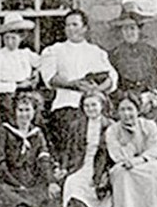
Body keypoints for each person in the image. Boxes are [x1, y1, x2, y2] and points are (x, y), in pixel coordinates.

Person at [38, 9, 118, 164]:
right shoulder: (55, 50)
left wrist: (97, 90)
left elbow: (112, 77)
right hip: (67, 104)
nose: (70, 29)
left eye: (75, 24)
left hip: (95, 105)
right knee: (74, 131)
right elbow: (49, 77)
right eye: (67, 25)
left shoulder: (96, 51)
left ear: (84, 28)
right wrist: (73, 85)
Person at [59, 90, 113, 207]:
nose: (90, 109)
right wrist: (63, 167)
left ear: (102, 106)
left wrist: (106, 173)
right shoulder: (77, 125)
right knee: (73, 183)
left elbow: (113, 154)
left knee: (92, 186)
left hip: (101, 167)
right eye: (86, 106)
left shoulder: (110, 126)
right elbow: (68, 150)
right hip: (80, 164)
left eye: (94, 105)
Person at [0, 16, 41, 127]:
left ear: (21, 37)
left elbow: (44, 63)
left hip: (28, 95)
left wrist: (37, 73)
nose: (10, 42)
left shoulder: (25, 53)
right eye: (7, 38)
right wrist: (17, 85)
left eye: (14, 38)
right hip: (6, 99)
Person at [107, 2, 157, 99]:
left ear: (139, 30)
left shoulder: (151, 52)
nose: (129, 33)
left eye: (132, 28)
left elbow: (155, 74)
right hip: (124, 97)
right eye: (125, 29)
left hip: (147, 95)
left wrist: (150, 91)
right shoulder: (114, 54)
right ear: (121, 31)